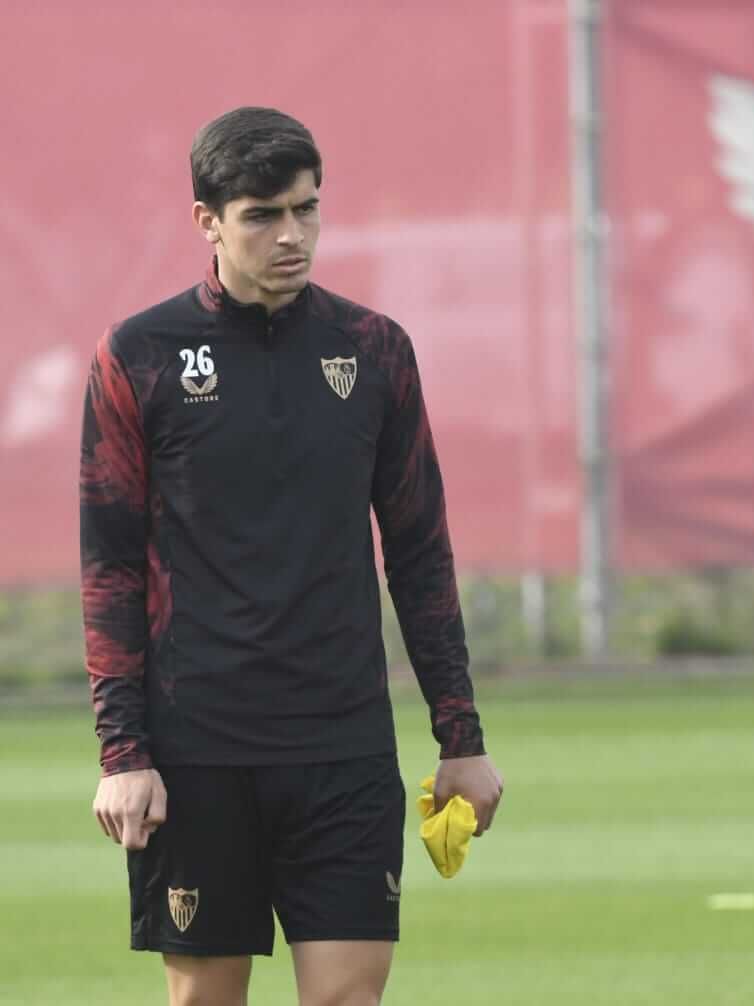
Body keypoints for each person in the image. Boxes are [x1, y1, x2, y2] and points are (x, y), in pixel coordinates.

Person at [80, 106, 504, 1006]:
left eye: (307, 210)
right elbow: (110, 567)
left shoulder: (375, 351)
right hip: (196, 746)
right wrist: (123, 753)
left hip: (342, 743)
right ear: (207, 220)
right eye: (262, 215)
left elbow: (420, 553)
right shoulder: (138, 358)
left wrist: (460, 740)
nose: (292, 235)